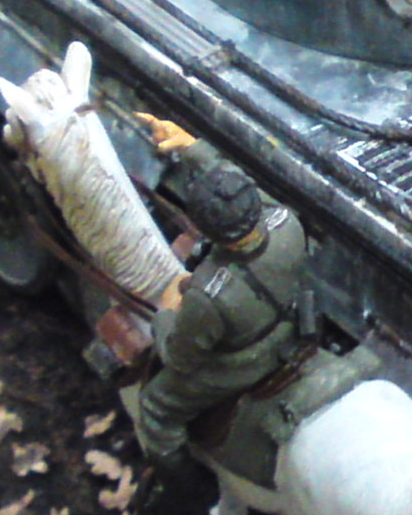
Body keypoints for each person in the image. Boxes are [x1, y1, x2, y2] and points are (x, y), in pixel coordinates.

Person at [129, 113, 309, 489]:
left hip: (245, 362)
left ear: (210, 232)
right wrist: (193, 148)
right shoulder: (286, 222)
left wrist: (165, 314)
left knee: (155, 408)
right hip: (293, 323)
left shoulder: (208, 295)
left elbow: (179, 357)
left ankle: (188, 498)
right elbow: (241, 187)